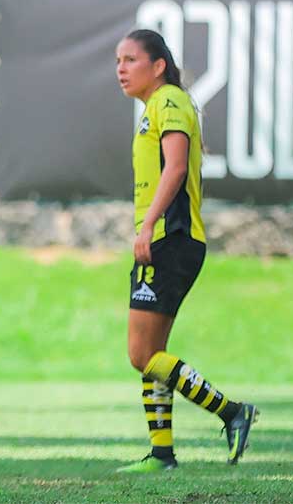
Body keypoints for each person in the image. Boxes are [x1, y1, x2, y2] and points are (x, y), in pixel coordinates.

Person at [114, 29, 258, 473]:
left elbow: (175, 168)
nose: (121, 68)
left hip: (170, 239)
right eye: (118, 60)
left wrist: (150, 225)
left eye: (131, 59)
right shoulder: (155, 107)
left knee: (141, 354)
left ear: (158, 66)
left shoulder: (169, 100)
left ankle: (232, 411)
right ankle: (162, 455)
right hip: (167, 240)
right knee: (153, 353)